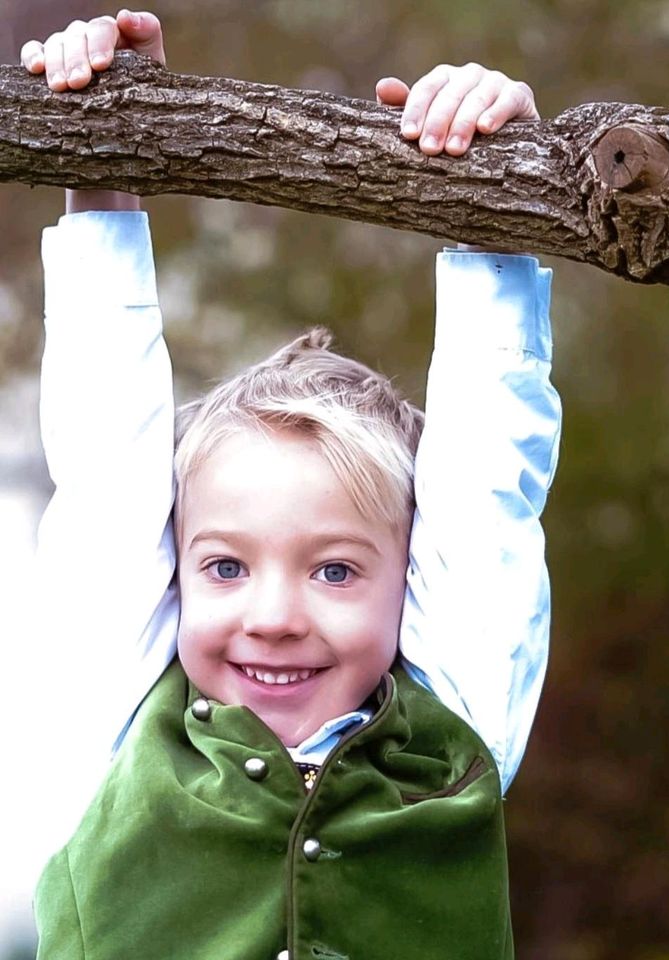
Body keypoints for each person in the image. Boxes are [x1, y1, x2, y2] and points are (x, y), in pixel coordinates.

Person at [24, 11, 562, 959]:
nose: (273, 616)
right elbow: (107, 461)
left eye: (337, 572)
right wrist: (107, 144)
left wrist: (488, 185)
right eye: (226, 567)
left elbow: (486, 494)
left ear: (414, 577)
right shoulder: (120, 734)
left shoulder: (450, 737)